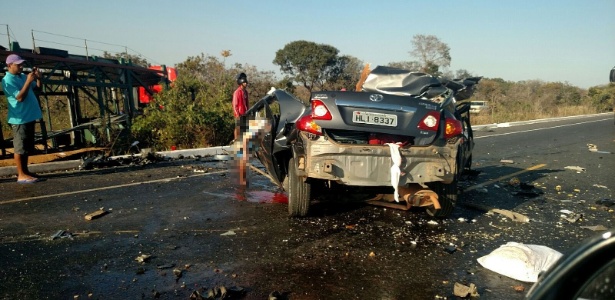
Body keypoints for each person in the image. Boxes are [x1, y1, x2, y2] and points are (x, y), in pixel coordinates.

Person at [1, 54, 44, 183]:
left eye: (22, 64)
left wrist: (38, 79)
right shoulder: (7, 80)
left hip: (29, 116)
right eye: (18, 64)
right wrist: (28, 81)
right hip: (20, 118)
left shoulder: (22, 76)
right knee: (19, 147)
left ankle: (25, 171)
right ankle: (21, 174)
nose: (21, 66)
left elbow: (38, 89)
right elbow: (19, 98)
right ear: (9, 65)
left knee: (26, 147)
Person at [232, 72, 248, 141]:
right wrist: (237, 114)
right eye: (244, 82)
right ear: (241, 82)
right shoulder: (237, 92)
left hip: (245, 112)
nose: (246, 84)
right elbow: (235, 104)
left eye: (246, 82)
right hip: (239, 113)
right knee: (238, 127)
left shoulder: (246, 92)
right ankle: (236, 139)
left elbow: (247, 103)